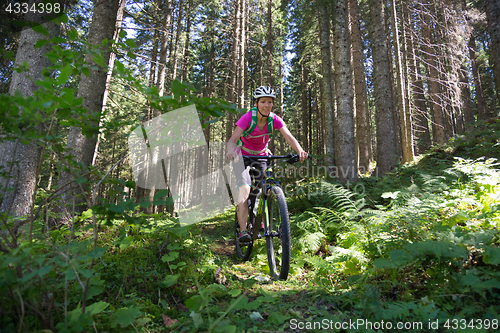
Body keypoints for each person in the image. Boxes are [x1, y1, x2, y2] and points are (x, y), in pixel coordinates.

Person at [227, 86, 308, 242]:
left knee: (264, 189)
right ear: (256, 103)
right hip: (242, 156)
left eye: (269, 102)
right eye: (263, 101)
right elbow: (232, 140)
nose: (266, 105)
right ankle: (243, 231)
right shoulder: (247, 118)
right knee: (245, 190)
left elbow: (289, 137)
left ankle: (261, 222)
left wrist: (299, 150)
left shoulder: (274, 119)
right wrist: (231, 151)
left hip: (262, 156)